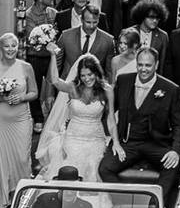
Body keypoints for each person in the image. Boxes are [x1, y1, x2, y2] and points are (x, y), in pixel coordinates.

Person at [98, 46, 180, 207]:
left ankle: (155, 205)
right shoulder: (123, 80)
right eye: (140, 65)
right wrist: (114, 142)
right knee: (105, 168)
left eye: (148, 65)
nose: (143, 69)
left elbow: (179, 124)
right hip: (127, 142)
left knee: (172, 168)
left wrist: (175, 150)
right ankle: (126, 204)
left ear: (156, 65)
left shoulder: (171, 89)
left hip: (156, 143)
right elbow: (110, 111)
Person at [37, 49, 119, 182]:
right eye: (83, 76)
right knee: (71, 172)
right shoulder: (73, 87)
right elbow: (55, 81)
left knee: (93, 172)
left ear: (97, 72)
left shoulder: (107, 90)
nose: (87, 79)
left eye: (90, 74)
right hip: (73, 139)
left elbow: (111, 119)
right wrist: (53, 55)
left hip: (95, 140)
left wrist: (116, 142)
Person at [0, 33, 38, 208]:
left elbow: (34, 92)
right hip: (0, 121)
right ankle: (4, 196)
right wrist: (1, 97)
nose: (11, 49)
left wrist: (21, 97)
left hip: (21, 119)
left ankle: (20, 195)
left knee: (22, 158)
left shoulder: (26, 67)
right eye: (7, 46)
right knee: (2, 160)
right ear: (1, 48)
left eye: (14, 45)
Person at [26, 0, 59, 133]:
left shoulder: (53, 12)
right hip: (36, 58)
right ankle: (38, 119)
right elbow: (33, 37)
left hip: (52, 57)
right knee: (35, 89)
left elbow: (58, 31)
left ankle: (57, 117)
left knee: (57, 84)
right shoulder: (29, 15)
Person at [28, 166, 100, 208]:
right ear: (58, 186)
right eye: (65, 188)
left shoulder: (86, 207)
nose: (69, 193)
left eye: (73, 188)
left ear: (78, 187)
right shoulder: (44, 200)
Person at [55, 6, 116, 80]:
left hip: (94, 88)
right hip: (67, 87)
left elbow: (109, 72)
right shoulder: (66, 36)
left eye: (95, 22)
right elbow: (56, 66)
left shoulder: (108, 40)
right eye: (88, 22)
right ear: (81, 20)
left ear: (98, 20)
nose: (91, 26)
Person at [130, 0, 169, 64]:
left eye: (157, 18)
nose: (155, 21)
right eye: (151, 17)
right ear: (142, 16)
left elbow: (163, 62)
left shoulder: (163, 36)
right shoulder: (130, 33)